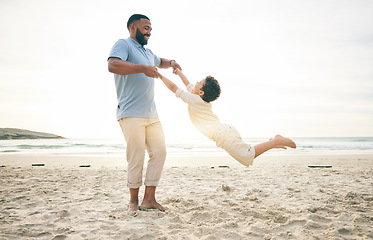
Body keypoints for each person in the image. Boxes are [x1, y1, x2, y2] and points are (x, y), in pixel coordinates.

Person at [107, 14, 181, 212]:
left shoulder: (148, 52)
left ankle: (149, 199)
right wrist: (142, 68)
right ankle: (133, 201)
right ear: (133, 28)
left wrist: (171, 62)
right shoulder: (124, 44)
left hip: (152, 114)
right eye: (145, 27)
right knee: (136, 156)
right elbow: (112, 65)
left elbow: (159, 61)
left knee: (160, 152)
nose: (149, 31)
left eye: (150, 28)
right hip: (130, 112)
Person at [158, 68, 296, 167]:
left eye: (199, 82)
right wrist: (179, 72)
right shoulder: (197, 97)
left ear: (201, 92)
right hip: (224, 133)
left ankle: (275, 141)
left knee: (248, 156)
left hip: (223, 135)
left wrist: (159, 75)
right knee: (247, 154)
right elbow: (187, 84)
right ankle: (273, 143)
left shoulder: (194, 99)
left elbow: (174, 88)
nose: (195, 82)